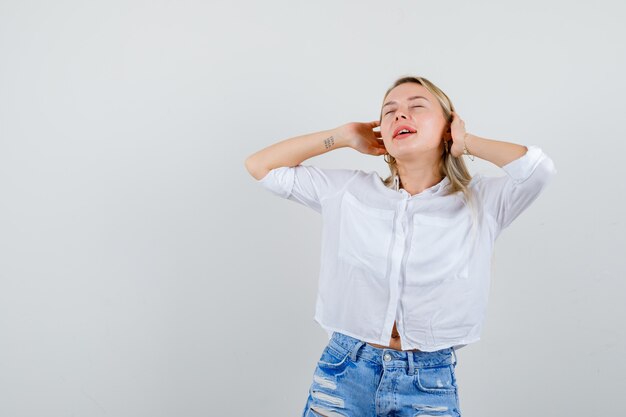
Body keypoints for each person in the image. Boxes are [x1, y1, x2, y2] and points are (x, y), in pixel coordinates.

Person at [244, 76, 557, 417]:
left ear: (448, 126)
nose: (399, 116)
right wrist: (344, 136)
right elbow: (261, 167)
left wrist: (466, 141)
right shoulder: (348, 191)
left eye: (417, 107)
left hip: (428, 383)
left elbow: (538, 170)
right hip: (344, 371)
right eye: (389, 111)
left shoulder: (482, 202)